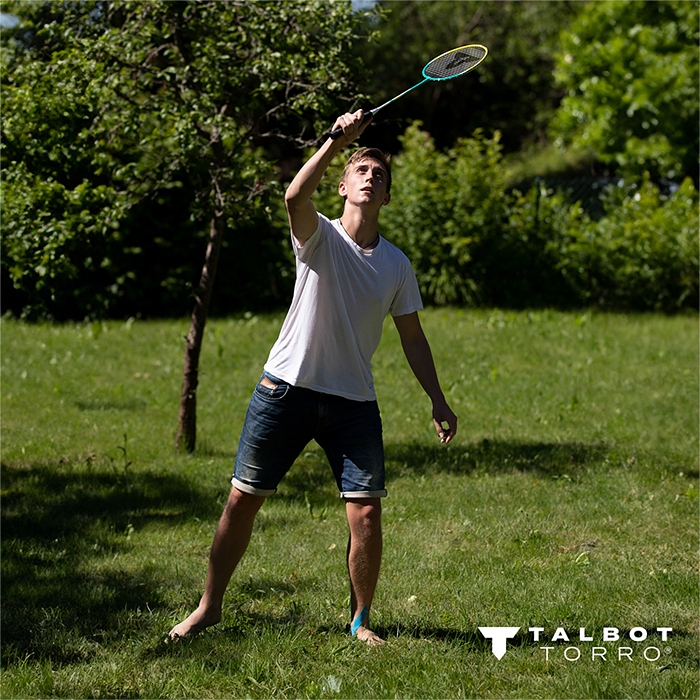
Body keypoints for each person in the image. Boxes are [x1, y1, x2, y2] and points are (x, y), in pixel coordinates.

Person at [168, 109, 458, 646]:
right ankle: (208, 608)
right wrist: (335, 141)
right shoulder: (319, 236)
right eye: (362, 171)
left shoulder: (397, 265)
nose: (371, 177)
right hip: (285, 390)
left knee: (366, 514)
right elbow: (293, 196)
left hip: (353, 403)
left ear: (387, 197)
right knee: (242, 501)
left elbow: (413, 339)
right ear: (343, 186)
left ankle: (360, 621)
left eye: (380, 175)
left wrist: (437, 399)